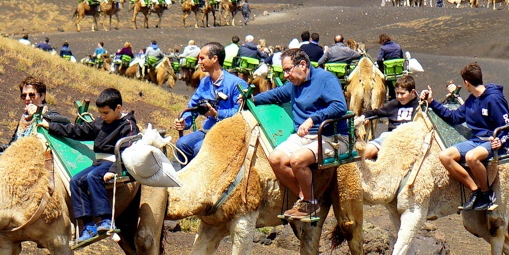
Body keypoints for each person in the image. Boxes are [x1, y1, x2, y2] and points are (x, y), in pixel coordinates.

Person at [252, 48, 347, 222]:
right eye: (284, 71)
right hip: (304, 137)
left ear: (302, 64)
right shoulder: (294, 85)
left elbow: (339, 106)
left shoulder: (325, 80)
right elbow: (275, 95)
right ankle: (307, 200)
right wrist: (251, 98)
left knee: (297, 160)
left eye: (288, 70)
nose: (286, 75)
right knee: (275, 159)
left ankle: (308, 202)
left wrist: (312, 119)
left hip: (331, 135)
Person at [43, 87, 139, 243]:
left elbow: (127, 150)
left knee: (93, 177)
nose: (102, 116)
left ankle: (106, 220)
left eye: (106, 113)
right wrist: (52, 127)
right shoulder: (102, 122)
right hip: (99, 162)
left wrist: (114, 170)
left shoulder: (128, 125)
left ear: (118, 108)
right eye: (100, 113)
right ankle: (88, 225)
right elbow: (79, 131)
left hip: (114, 162)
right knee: (76, 181)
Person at [425, 62, 509, 212]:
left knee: (472, 157)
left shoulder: (494, 99)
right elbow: (453, 117)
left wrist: (501, 140)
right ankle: (475, 190)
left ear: (466, 83)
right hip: (476, 141)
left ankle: (487, 194)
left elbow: (508, 126)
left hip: (493, 143)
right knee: (445, 156)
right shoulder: (471, 100)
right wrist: (431, 102)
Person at [174, 42, 248, 161]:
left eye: (202, 58)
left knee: (200, 148)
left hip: (228, 132)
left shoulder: (237, 84)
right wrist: (185, 122)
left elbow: (241, 113)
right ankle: (189, 179)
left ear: (214, 59)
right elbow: (193, 106)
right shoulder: (205, 82)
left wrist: (217, 114)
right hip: (209, 129)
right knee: (182, 144)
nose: (199, 62)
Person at [359, 73, 419, 159]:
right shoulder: (393, 104)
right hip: (390, 136)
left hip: (410, 137)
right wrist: (363, 117)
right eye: (397, 93)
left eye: (402, 93)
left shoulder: (419, 105)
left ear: (412, 92)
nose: (399, 96)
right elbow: (375, 112)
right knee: (367, 151)